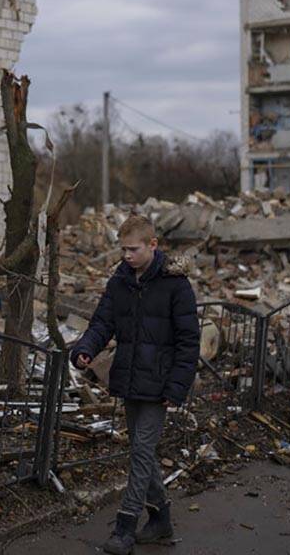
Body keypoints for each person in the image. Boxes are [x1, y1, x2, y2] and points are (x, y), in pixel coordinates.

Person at [70, 215, 200, 555]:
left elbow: (189, 342)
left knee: (142, 451)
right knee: (141, 452)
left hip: (160, 384)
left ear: (152, 245)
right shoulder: (120, 282)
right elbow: (103, 322)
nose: (126, 255)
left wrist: (177, 387)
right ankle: (161, 520)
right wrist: (86, 349)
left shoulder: (176, 285)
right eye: (123, 249)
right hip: (129, 379)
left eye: (133, 249)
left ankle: (125, 527)